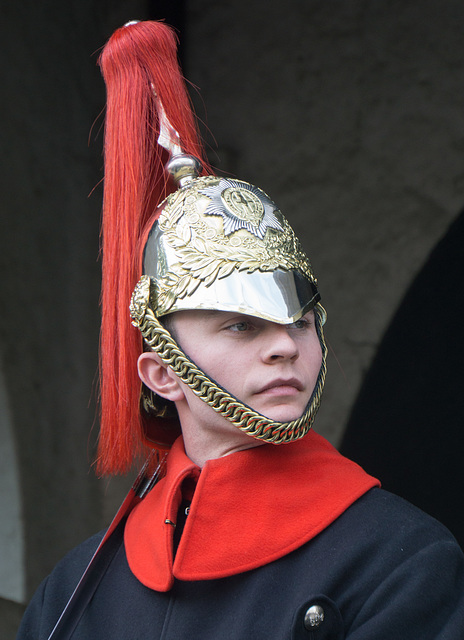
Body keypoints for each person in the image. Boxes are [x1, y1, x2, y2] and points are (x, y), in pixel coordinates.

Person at [17, 20, 464, 640]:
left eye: (300, 321)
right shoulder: (73, 590)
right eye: (239, 326)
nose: (286, 345)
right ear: (162, 371)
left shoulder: (402, 560)